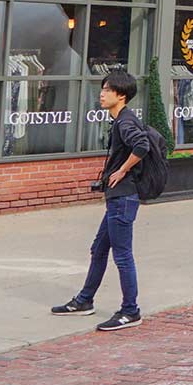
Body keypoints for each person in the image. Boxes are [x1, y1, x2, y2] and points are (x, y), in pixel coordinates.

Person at [51, 70, 154, 330]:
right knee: (99, 249)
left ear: (121, 95)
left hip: (123, 197)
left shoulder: (125, 122)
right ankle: (84, 300)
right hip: (118, 198)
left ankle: (131, 310)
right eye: (103, 89)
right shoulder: (122, 119)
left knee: (122, 255)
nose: (102, 94)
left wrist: (122, 169)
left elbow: (142, 146)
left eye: (107, 90)